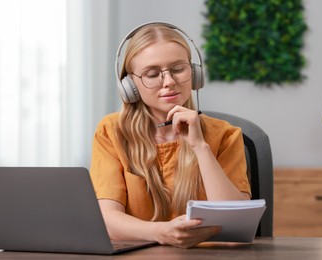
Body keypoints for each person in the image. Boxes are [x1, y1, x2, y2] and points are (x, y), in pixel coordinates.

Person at [90, 22, 251, 249]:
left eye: (178, 69)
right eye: (152, 74)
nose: (169, 82)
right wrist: (163, 232)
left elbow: (237, 224)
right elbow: (108, 222)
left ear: (195, 74)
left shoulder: (225, 135)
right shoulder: (111, 132)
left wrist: (200, 146)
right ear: (130, 85)